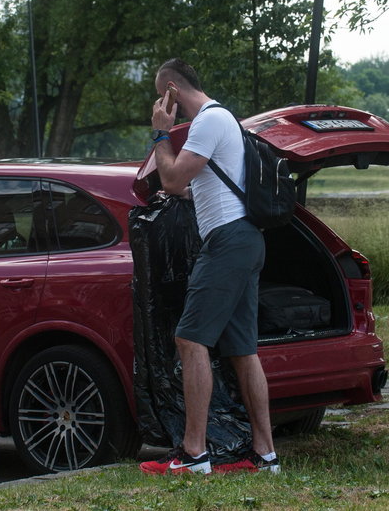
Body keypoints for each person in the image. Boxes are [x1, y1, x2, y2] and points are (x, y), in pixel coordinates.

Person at [139, 59, 279, 475]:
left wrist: (161, 132)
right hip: (245, 238)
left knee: (189, 339)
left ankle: (194, 454)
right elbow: (196, 187)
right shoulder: (223, 121)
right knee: (242, 349)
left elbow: (172, 181)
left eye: (161, 95)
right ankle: (265, 455)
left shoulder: (207, 121)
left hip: (229, 241)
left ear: (170, 91)